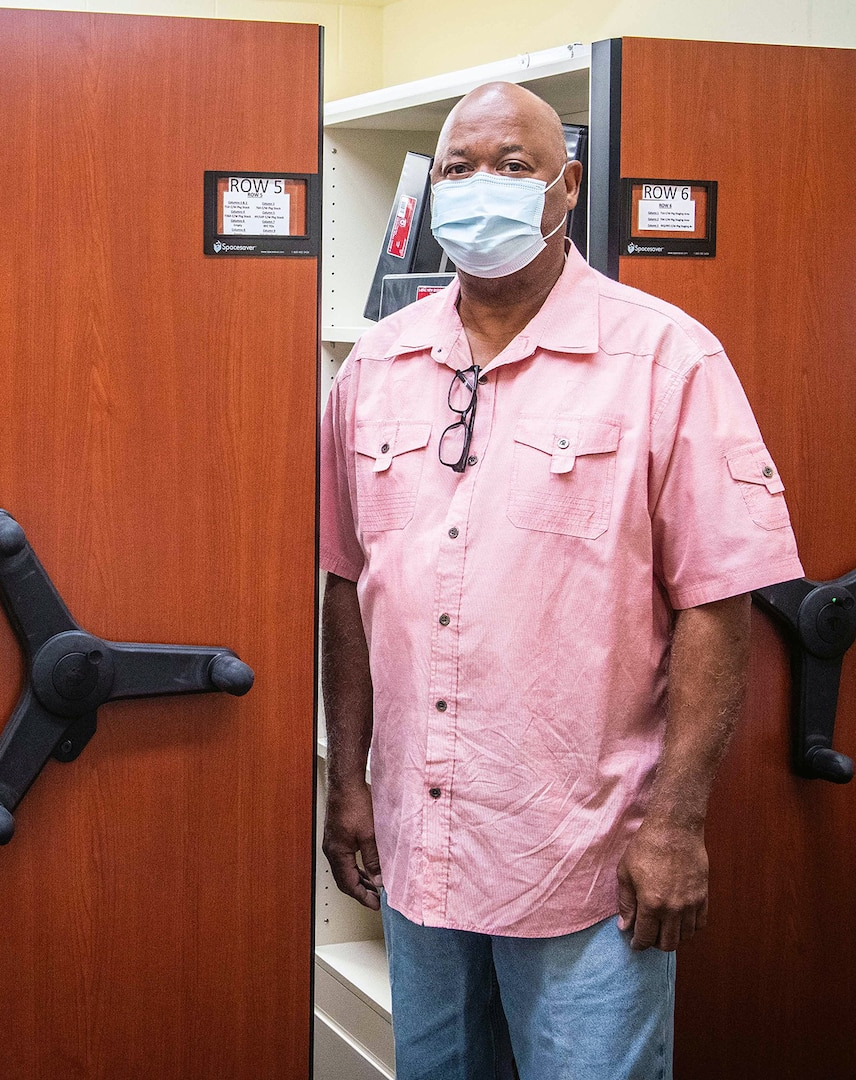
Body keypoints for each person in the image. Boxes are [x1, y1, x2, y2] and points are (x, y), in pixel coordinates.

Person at [318, 82, 803, 1080]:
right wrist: (349, 780)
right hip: (421, 842)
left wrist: (675, 824)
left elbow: (717, 601)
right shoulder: (376, 368)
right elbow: (348, 584)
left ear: (565, 186)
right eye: (457, 168)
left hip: (584, 857)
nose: (478, 188)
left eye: (513, 165)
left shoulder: (665, 358)